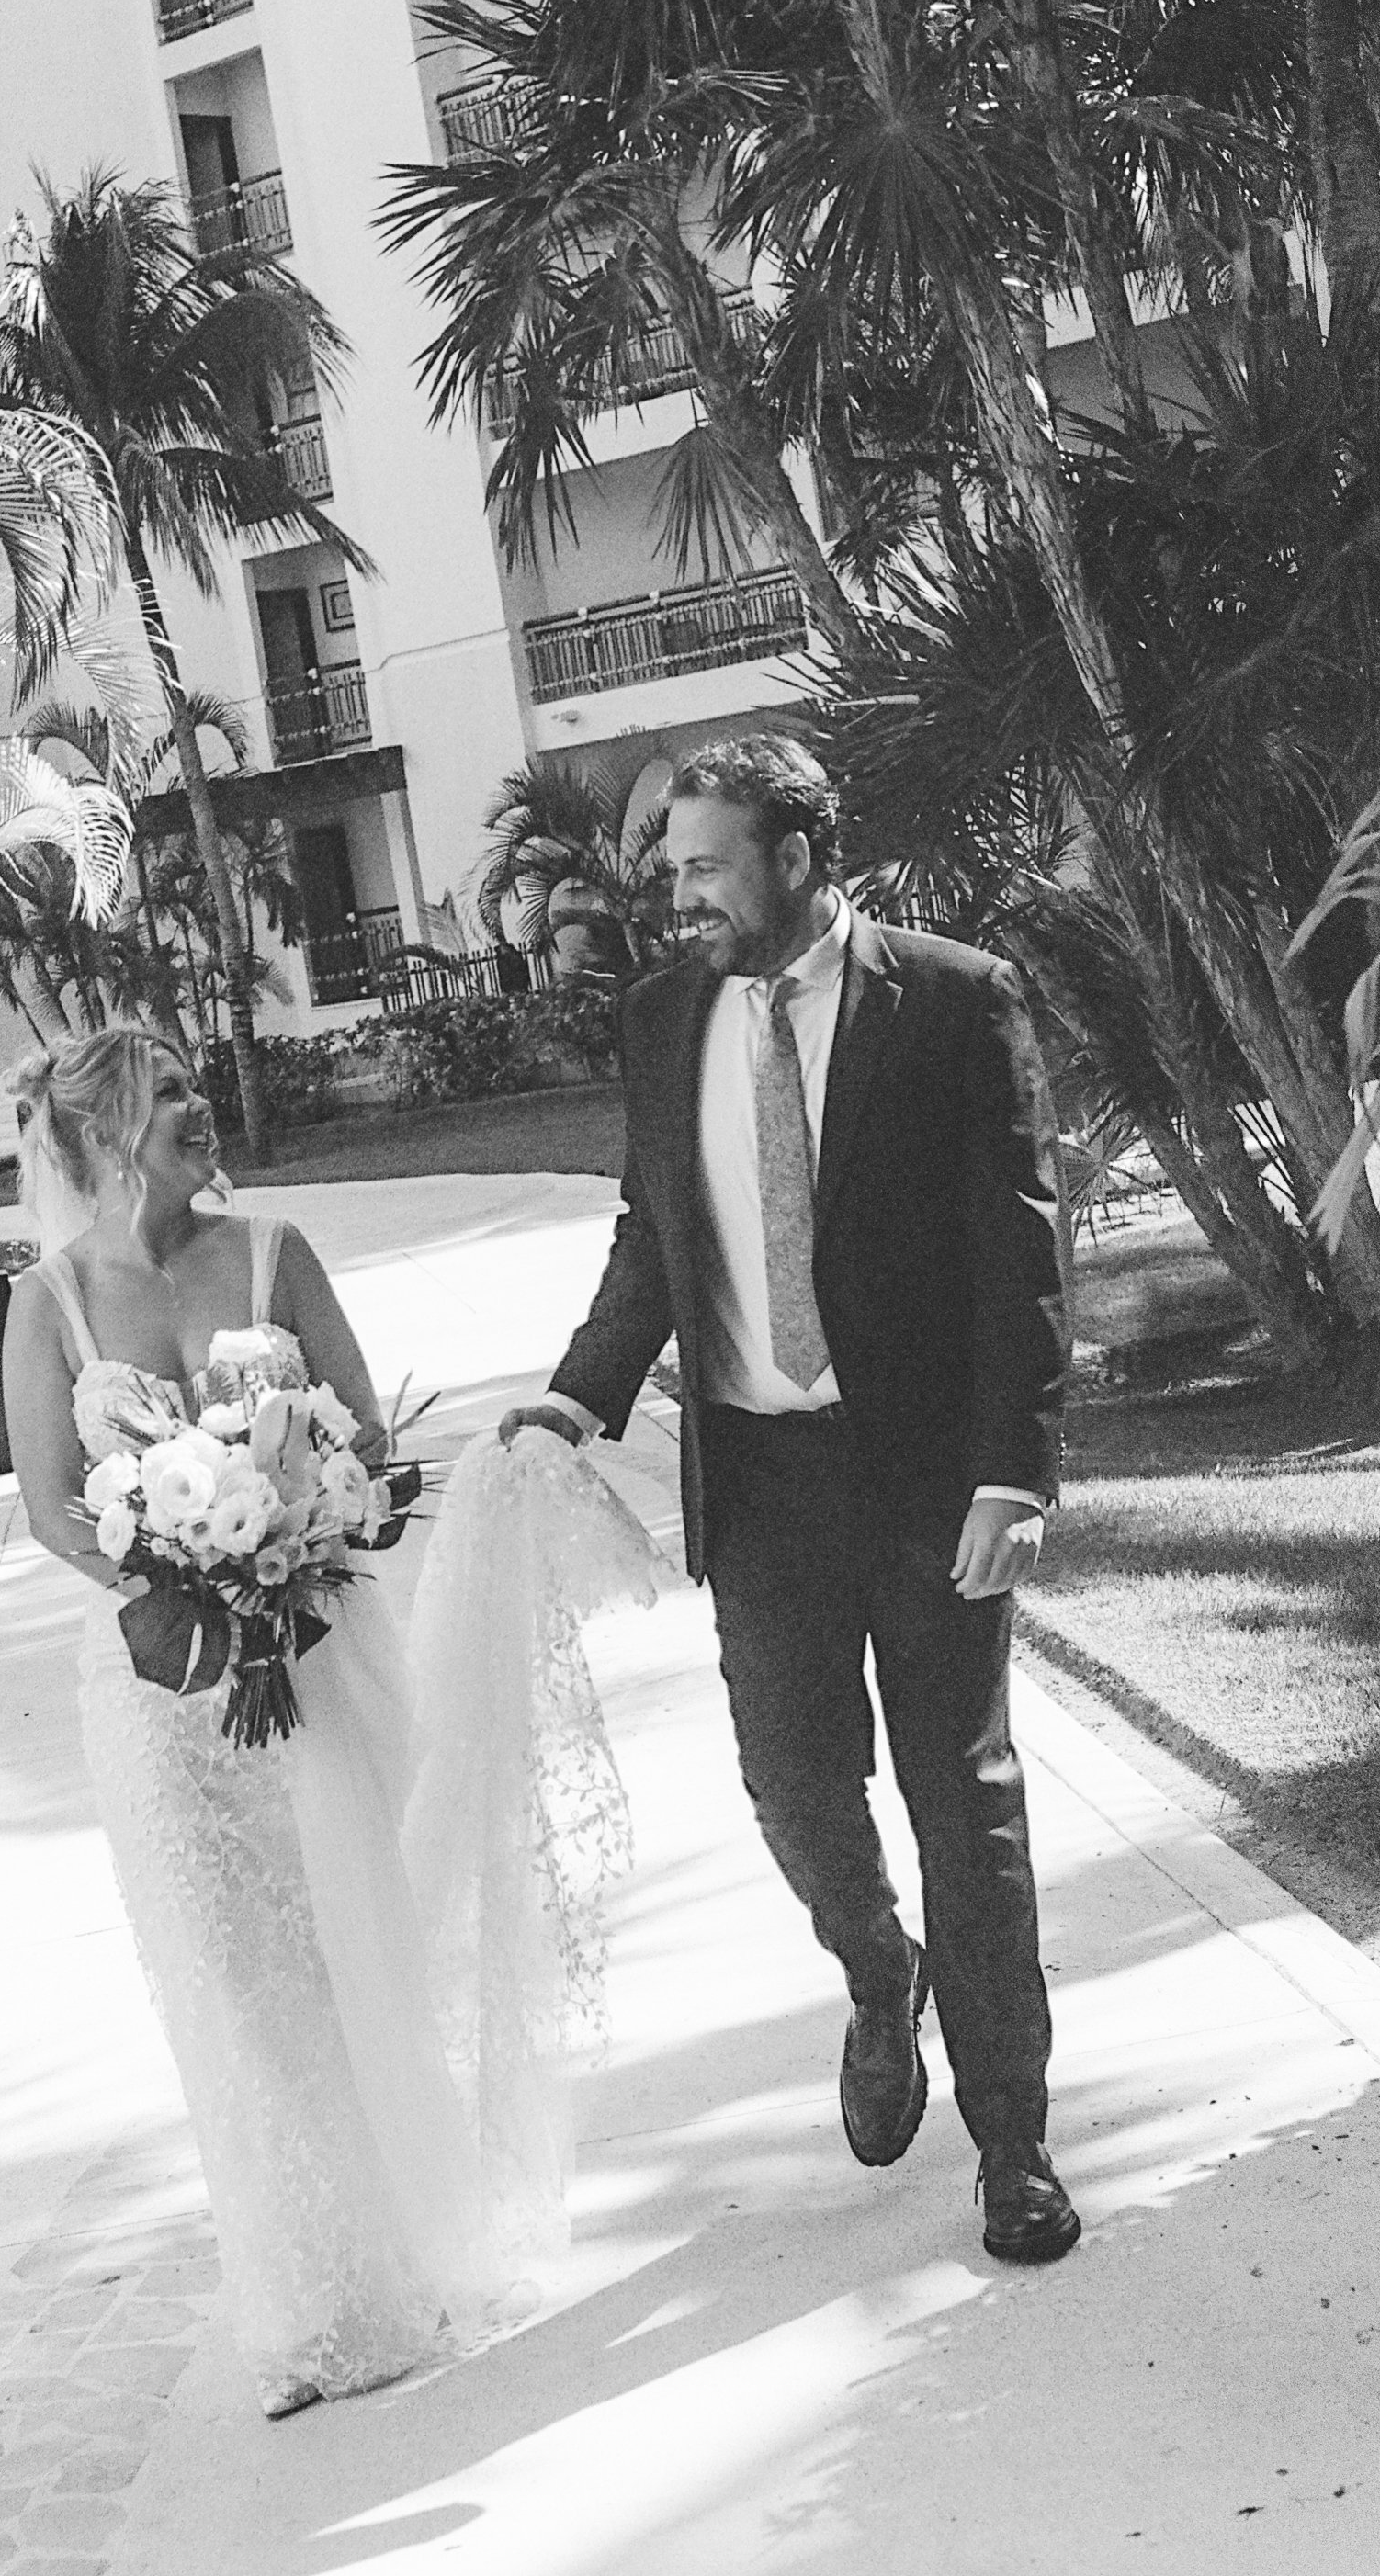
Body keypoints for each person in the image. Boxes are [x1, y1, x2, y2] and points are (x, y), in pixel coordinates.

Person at [0, 1025, 650, 2415]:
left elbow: (375, 1442)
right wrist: (178, 1569)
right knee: (236, 1995)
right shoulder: (47, 1304)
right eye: (172, 1093)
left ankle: (417, 2256)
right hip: (159, 1690)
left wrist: (296, 1532)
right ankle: (308, 2307)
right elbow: (55, 1503)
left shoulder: (275, 1252)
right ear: (111, 1135)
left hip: (317, 1655)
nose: (202, 1107)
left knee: (362, 1950)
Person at [503, 734, 1080, 2265]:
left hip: (928, 1479)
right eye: (673, 865)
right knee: (795, 1789)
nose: (677, 892)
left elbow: (1018, 1249)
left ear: (800, 854)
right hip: (760, 1481)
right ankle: (877, 1971)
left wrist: (1016, 1468)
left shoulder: (954, 998)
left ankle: (1012, 2142)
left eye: (705, 864)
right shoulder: (663, 1016)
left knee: (970, 1802)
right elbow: (654, 1236)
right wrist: (581, 1389)